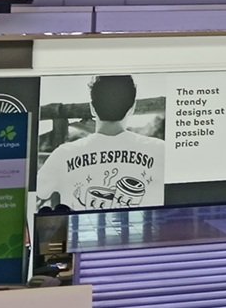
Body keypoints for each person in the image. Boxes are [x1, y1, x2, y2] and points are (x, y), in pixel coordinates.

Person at [35, 75, 167, 211]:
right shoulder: (161, 151)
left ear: (92, 108)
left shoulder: (63, 154)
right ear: (132, 108)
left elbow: (37, 194)